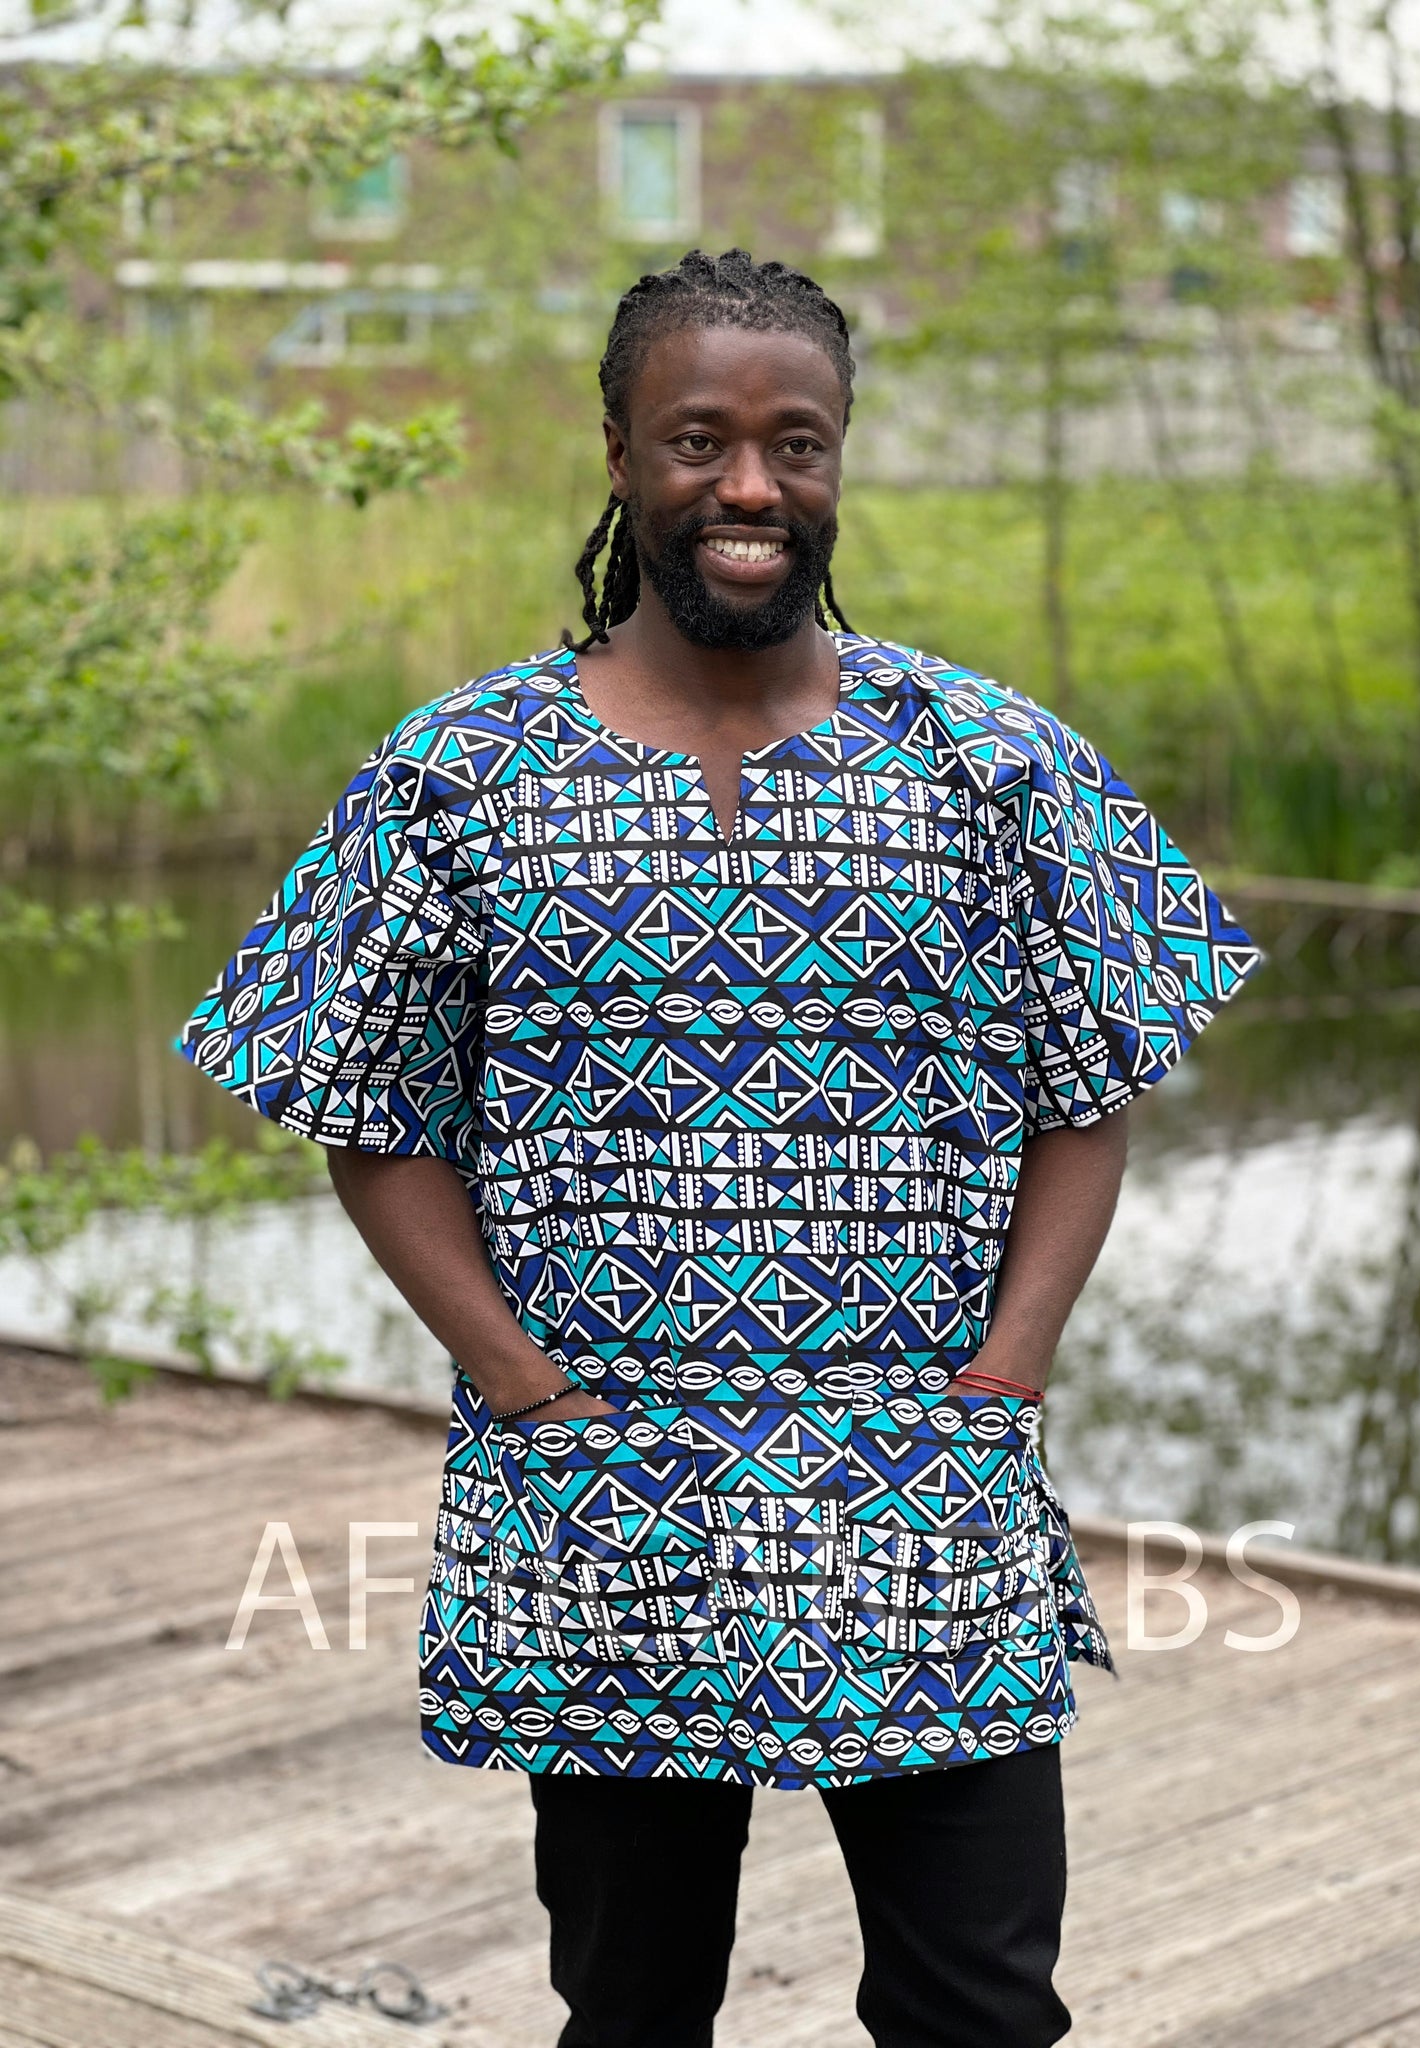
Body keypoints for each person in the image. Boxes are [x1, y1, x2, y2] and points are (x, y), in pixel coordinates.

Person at [177, 247, 1262, 2048]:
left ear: (839, 464)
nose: (751, 486)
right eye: (699, 439)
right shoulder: (461, 773)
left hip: (925, 1486)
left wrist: (1010, 1372)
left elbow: (1094, 1082)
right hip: (601, 1489)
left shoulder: (990, 758)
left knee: (983, 2008)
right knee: (631, 2006)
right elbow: (367, 1115)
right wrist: (518, 1384)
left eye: (797, 444)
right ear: (618, 454)